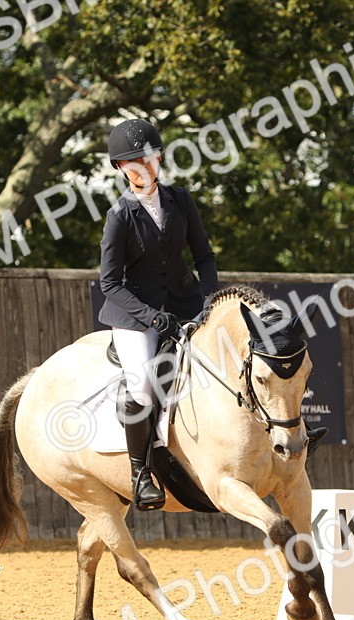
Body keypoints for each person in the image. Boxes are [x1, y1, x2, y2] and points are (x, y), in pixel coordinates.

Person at [97, 118, 217, 511]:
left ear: (160, 157)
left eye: (149, 158)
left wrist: (208, 300)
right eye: (134, 162)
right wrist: (150, 317)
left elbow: (204, 257)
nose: (144, 167)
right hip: (135, 315)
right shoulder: (120, 216)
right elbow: (109, 283)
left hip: (185, 303)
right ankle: (141, 474)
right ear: (121, 168)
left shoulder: (180, 201)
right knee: (143, 388)